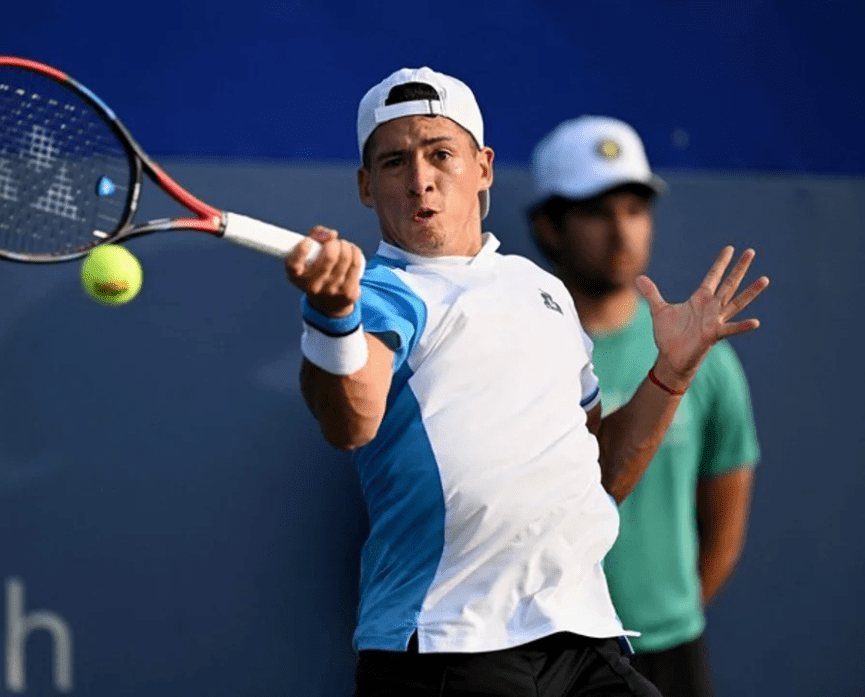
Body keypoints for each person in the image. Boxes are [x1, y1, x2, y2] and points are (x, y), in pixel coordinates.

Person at [283, 67, 768, 697]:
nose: (420, 179)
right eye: (394, 162)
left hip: (580, 633)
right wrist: (332, 316)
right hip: (447, 642)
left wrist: (668, 375)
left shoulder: (544, 292)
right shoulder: (379, 296)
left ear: (483, 168)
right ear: (366, 186)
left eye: (440, 154)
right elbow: (350, 420)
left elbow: (599, 474)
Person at [526, 116, 761, 697]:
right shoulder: (515, 354)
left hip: (672, 653)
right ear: (548, 227)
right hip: (543, 654)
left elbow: (725, 520)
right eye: (596, 211)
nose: (620, 231)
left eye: (635, 209)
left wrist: (670, 618)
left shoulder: (705, 359)